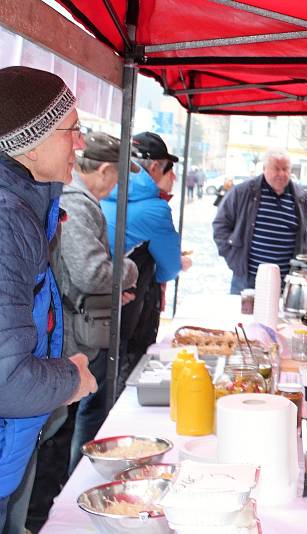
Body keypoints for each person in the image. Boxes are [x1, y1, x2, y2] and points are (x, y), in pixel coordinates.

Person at [0, 66, 97, 530]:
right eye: (71, 130)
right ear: (31, 144)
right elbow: (6, 379)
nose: (80, 142)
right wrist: (72, 379)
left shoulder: (28, 204)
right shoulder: (5, 221)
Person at [56, 132, 139, 472]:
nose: (118, 185)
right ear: (105, 170)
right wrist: (129, 270)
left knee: (64, 427)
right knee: (57, 432)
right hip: (69, 340)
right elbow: (90, 272)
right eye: (118, 175)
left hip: (74, 331)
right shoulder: (75, 202)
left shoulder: (75, 199)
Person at [101, 132, 191, 383]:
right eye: (170, 170)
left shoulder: (106, 191)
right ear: (153, 168)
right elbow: (168, 269)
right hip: (127, 312)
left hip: (92, 307)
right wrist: (180, 262)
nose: (173, 177)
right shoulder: (155, 208)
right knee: (118, 384)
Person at [213, 151, 307, 292]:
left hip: (286, 285)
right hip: (246, 282)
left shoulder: (301, 199)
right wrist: (233, 257)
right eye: (276, 168)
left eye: (285, 169)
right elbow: (221, 225)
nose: (281, 174)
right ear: (264, 169)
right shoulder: (242, 192)